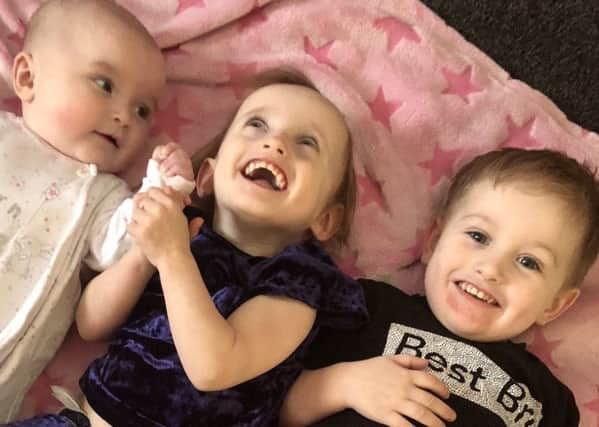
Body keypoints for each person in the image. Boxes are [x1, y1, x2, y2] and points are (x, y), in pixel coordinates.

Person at [6, 70, 368, 427]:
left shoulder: (298, 279)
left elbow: (213, 368)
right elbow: (89, 323)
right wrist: (144, 256)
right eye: (257, 125)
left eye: (307, 143)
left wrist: (172, 257)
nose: (276, 144)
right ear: (208, 176)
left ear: (324, 220)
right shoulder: (180, 230)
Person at [281, 148, 599, 427]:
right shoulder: (362, 305)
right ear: (434, 242)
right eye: (478, 237)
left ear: (554, 305)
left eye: (529, 262)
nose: (491, 269)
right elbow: (262, 400)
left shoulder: (547, 399)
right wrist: (342, 384)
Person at [0, 0, 195, 421]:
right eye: (104, 84)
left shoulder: (105, 195)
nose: (125, 116)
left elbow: (126, 244)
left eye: (143, 110)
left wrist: (162, 187)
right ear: (28, 77)